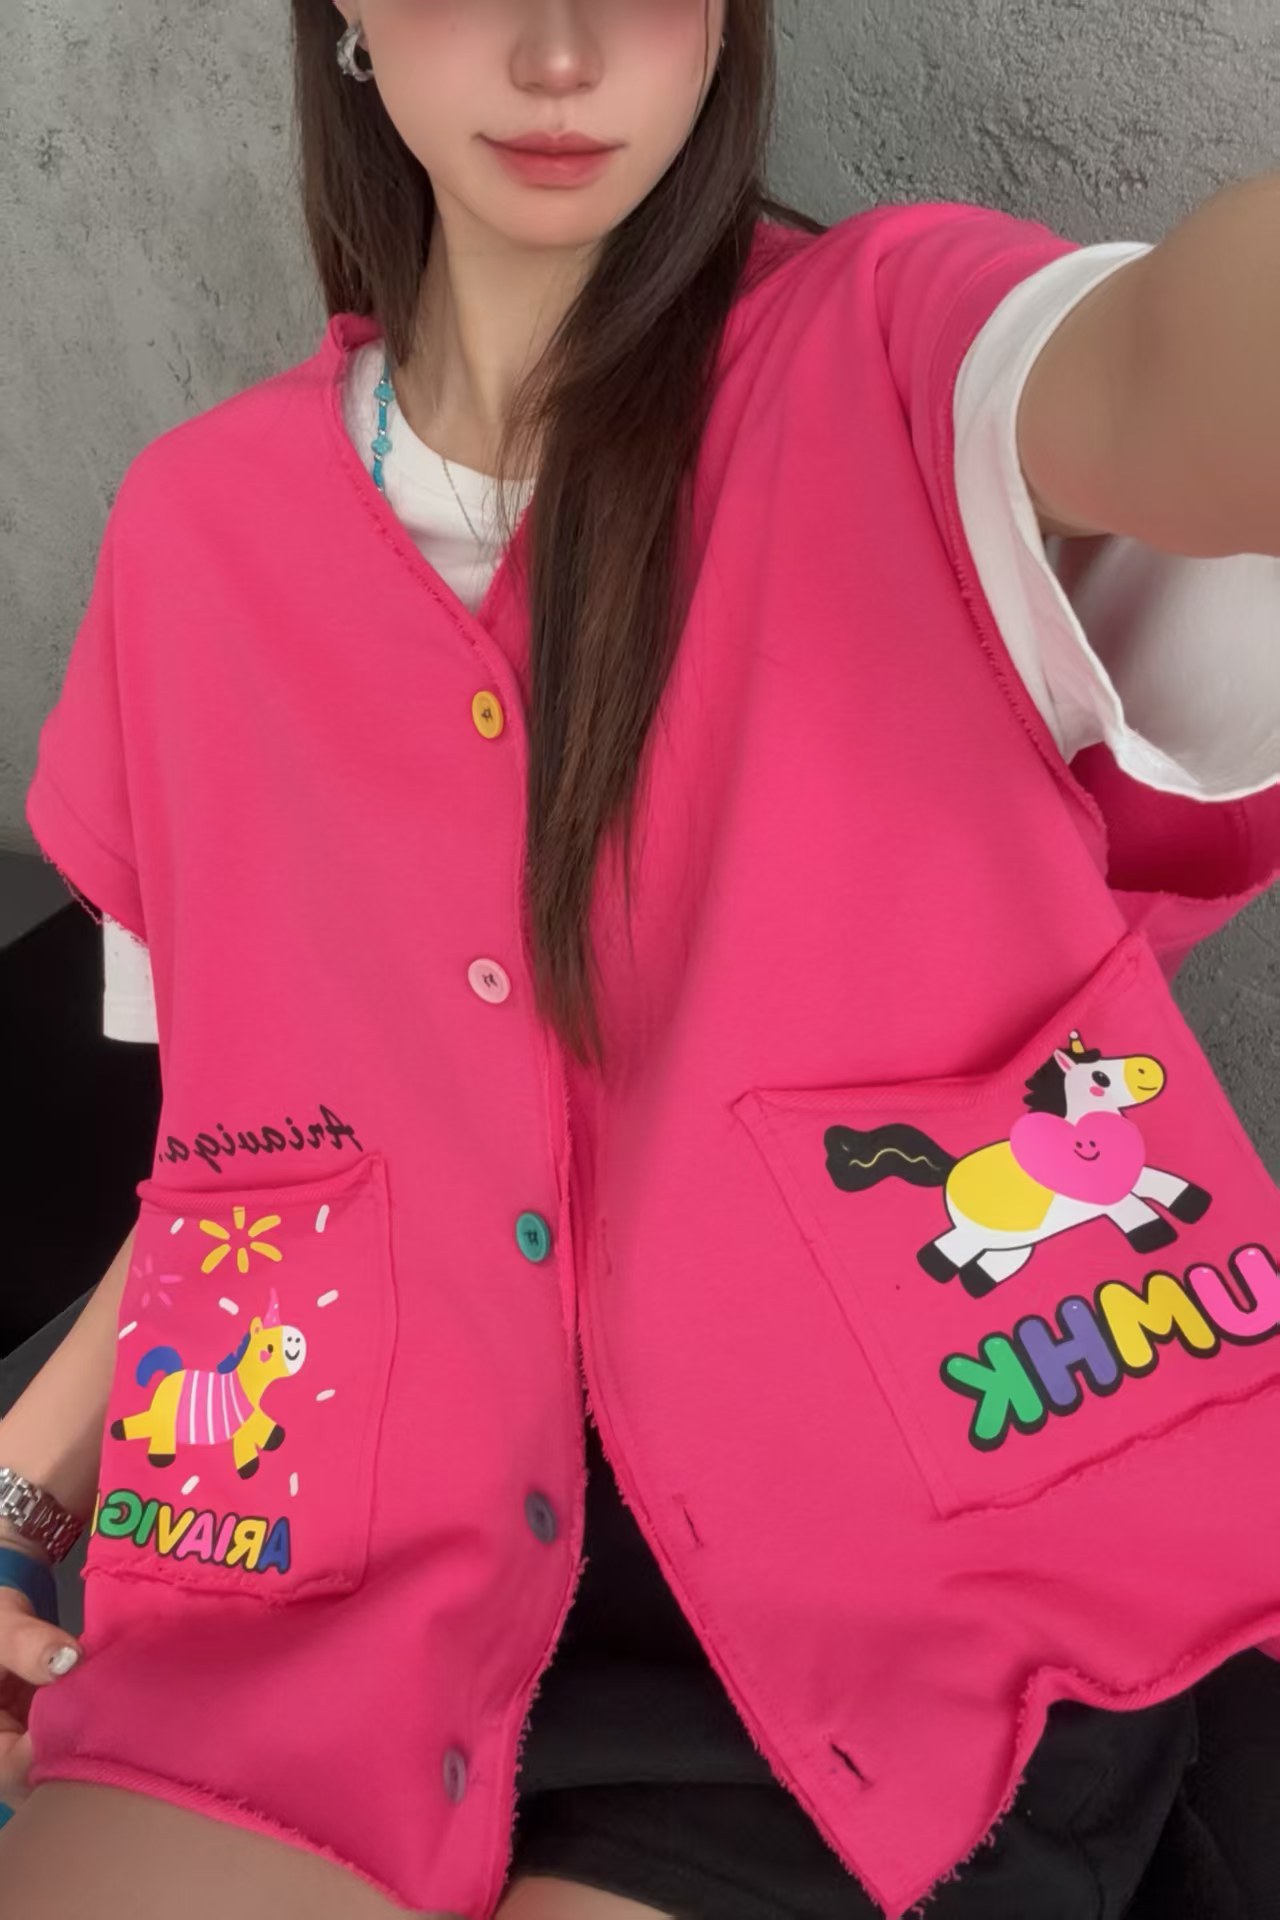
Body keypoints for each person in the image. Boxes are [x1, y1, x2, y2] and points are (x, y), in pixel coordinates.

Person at [2, 3, 1278, 1917]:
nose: (560, 50)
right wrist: (24, 1483)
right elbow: (245, 1150)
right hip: (335, 1568)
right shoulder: (199, 531)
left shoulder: (898, 358)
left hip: (903, 1574)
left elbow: (1186, 374)